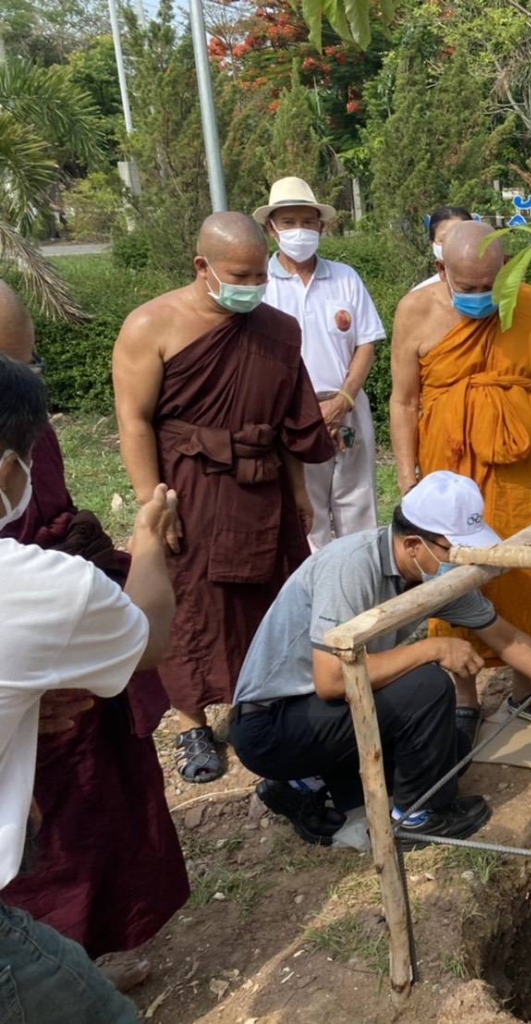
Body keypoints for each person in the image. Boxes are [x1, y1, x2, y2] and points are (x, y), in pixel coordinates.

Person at [230, 471, 531, 846]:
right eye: (452, 550)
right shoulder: (350, 567)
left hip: (323, 715)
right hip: (274, 723)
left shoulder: (433, 578)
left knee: (451, 755)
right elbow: (331, 681)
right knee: (427, 685)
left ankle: (301, 784)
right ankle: (416, 817)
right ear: (412, 545)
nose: (461, 561)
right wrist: (431, 649)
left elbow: (506, 639)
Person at [0, 285, 188, 993]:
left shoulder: (26, 440)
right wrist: (147, 541)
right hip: (33, 639)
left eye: (27, 366)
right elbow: (146, 637)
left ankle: (94, 947)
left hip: (52, 648)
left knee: (92, 802)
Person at [112, 211, 335, 783]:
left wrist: (298, 489)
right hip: (189, 488)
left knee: (269, 596)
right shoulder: (151, 325)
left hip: (263, 485)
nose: (252, 287)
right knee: (192, 605)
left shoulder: (279, 329)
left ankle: (256, 707)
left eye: (260, 275)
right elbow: (135, 421)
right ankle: (189, 724)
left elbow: (287, 421)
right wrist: (150, 504)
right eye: (239, 275)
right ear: (202, 267)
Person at [389, 218, 531, 730]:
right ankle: (464, 695)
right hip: (451, 465)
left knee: (530, 570)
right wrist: (408, 477)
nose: (482, 297)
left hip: (529, 460)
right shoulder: (415, 310)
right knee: (454, 571)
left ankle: (527, 688)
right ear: (441, 270)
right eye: (469, 288)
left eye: (491, 285)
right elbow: (404, 400)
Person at [256, 176, 387, 550]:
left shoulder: (345, 278)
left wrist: (343, 400)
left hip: (346, 406)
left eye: (307, 221)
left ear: (321, 226)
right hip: (290, 414)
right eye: (288, 222)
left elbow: (366, 343)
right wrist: (306, 412)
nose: (299, 230)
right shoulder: (262, 283)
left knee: (357, 502)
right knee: (304, 509)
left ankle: (360, 587)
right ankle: (313, 592)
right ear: (271, 228)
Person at [413, 205, 474, 292]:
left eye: (461, 237)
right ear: (432, 244)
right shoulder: (419, 297)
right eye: (445, 239)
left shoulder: (496, 282)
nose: (453, 245)